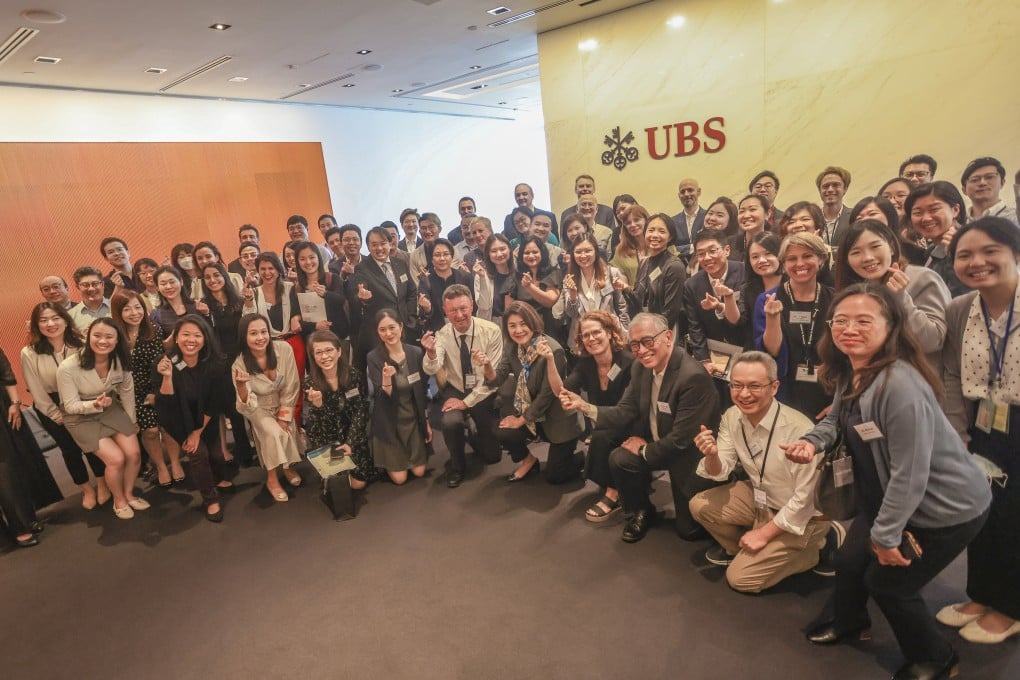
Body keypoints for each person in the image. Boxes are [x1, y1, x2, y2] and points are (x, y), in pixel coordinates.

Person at [784, 283, 990, 680]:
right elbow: (835, 420)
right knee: (849, 560)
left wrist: (886, 536)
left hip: (946, 507)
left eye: (864, 321)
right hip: (888, 495)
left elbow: (910, 473)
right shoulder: (852, 369)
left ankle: (937, 658)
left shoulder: (899, 385)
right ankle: (849, 622)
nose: (849, 329)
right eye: (840, 320)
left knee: (889, 585)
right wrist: (812, 442)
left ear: (890, 326)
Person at [560, 312, 722, 542]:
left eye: (647, 341)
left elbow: (682, 440)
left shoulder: (692, 377)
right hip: (658, 440)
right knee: (620, 458)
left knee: (689, 531)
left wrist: (644, 449)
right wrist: (584, 406)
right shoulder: (640, 367)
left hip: (688, 454)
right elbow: (625, 410)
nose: (641, 350)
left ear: (668, 337)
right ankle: (640, 511)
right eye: (635, 344)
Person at [940, 217, 1020, 644]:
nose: (977, 262)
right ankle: (983, 595)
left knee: (1015, 517)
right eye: (965, 255)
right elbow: (953, 374)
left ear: (1015, 254)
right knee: (984, 510)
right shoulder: (960, 309)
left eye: (990, 251)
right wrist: (959, 428)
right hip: (984, 420)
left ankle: (1011, 607)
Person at [689, 351, 830, 592]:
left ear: (774, 387)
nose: (744, 394)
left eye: (754, 386)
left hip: (803, 515)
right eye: (737, 385)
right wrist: (712, 455)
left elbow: (806, 500)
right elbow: (720, 471)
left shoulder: (800, 431)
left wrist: (764, 534)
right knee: (699, 506)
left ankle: (812, 550)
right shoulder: (732, 416)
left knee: (740, 579)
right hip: (762, 498)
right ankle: (750, 550)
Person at [542, 311, 633, 521]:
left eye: (596, 332)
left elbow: (628, 411)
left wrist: (583, 406)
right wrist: (549, 360)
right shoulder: (586, 364)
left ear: (609, 333)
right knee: (599, 436)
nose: (591, 339)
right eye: (585, 335)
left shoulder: (629, 362)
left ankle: (613, 493)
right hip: (603, 424)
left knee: (601, 437)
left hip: (629, 422)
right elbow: (561, 392)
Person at [480, 301, 582, 484]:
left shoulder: (553, 350)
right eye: (512, 326)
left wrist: (519, 420)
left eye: (523, 324)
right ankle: (529, 460)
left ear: (533, 323)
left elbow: (547, 396)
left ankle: (587, 459)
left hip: (557, 419)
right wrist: (487, 365)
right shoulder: (512, 347)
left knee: (555, 476)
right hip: (532, 414)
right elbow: (497, 379)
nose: (518, 330)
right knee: (501, 429)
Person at [57, 318, 149, 519]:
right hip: (80, 416)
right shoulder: (68, 367)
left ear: (117, 340)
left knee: (134, 454)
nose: (102, 341)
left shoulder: (120, 360)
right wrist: (94, 405)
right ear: (88, 336)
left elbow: (127, 392)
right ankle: (119, 500)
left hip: (109, 407)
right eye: (97, 335)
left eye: (109, 336)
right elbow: (70, 405)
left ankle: (129, 494)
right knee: (116, 459)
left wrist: (132, 421)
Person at [21, 302, 109, 509]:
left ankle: (102, 484)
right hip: (51, 405)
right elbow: (36, 390)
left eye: (55, 318)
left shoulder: (81, 343)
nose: (50, 324)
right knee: (69, 450)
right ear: (36, 325)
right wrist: (56, 415)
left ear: (65, 320)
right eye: (44, 320)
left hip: (82, 400)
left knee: (92, 445)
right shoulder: (29, 352)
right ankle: (87, 490)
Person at [834, 219, 949, 373]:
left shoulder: (922, 278)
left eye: (875, 247)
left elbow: (933, 341)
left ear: (892, 248)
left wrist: (901, 298)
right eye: (856, 252)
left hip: (914, 380)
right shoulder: (860, 291)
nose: (867, 257)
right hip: (873, 378)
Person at [421, 285, 504, 488]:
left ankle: (472, 431)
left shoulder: (491, 331)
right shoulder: (442, 335)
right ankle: (457, 466)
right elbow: (432, 368)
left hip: (483, 388)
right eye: (453, 310)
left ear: (472, 306)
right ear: (445, 311)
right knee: (450, 422)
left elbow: (492, 379)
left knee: (493, 456)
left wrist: (466, 403)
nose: (459, 315)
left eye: (463, 308)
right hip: (456, 387)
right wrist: (431, 354)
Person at [154, 316, 234, 522]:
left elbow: (215, 402)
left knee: (216, 454)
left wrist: (197, 432)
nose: (191, 340)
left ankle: (219, 479)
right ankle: (210, 499)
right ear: (176, 338)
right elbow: (165, 405)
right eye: (186, 334)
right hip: (179, 420)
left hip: (206, 415)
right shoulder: (165, 362)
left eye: (197, 335)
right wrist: (167, 377)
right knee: (198, 454)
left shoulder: (213, 363)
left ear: (205, 339)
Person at [755, 232, 833, 419]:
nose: (800, 264)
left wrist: (838, 402)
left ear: (821, 259)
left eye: (807, 256)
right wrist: (772, 317)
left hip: (828, 391)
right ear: (783, 264)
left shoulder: (835, 299)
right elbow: (771, 352)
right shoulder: (768, 299)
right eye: (791, 259)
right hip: (785, 390)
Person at [111, 290, 183, 488]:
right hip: (130, 392)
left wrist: (156, 391)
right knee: (150, 431)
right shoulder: (114, 337)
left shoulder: (154, 330)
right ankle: (160, 466)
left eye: (138, 307)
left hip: (157, 386)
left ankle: (175, 463)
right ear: (118, 312)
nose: (135, 313)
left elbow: (161, 360)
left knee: (166, 427)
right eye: (127, 309)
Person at [232, 314, 303, 502]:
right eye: (253, 333)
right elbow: (245, 405)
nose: (260, 337)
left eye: (264, 332)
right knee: (274, 434)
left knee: (287, 429)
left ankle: (287, 467)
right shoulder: (239, 363)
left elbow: (291, 384)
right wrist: (241, 387)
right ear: (244, 337)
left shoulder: (284, 349)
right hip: (258, 407)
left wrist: (284, 415)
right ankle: (272, 480)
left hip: (282, 401)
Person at [304, 330, 383, 489]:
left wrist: (350, 442)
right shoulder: (310, 384)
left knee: (358, 484)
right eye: (318, 352)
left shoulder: (353, 375)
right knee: (340, 484)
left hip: (352, 435)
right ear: (313, 356)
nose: (324, 356)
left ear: (339, 351)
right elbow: (317, 429)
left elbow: (360, 412)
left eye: (329, 350)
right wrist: (319, 407)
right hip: (328, 439)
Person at [1, 348, 59, 547]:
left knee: (13, 466)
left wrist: (15, 403)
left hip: (3, 410)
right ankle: (15, 529)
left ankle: (24, 521)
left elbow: (6, 373)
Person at [366, 310, 432, 485]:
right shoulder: (374, 357)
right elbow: (381, 397)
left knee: (419, 472)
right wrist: (386, 379)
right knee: (400, 479)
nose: (388, 333)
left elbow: (422, 391)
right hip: (390, 423)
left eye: (392, 327)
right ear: (377, 332)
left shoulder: (415, 352)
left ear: (401, 327)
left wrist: (425, 421)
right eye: (382, 330)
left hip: (413, 420)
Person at [199, 262, 255, 467]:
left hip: (243, 359)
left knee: (253, 403)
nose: (212, 280)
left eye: (216, 275)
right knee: (234, 410)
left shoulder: (238, 300)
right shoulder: (203, 305)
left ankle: (261, 446)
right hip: (220, 364)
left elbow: (249, 325)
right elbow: (206, 336)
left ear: (225, 276)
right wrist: (205, 315)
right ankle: (244, 453)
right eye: (207, 277)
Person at [349, 226, 419, 362]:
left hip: (405, 327)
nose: (379, 248)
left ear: (390, 243)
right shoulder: (362, 268)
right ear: (368, 247)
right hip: (381, 333)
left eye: (383, 243)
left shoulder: (400, 263)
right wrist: (364, 298)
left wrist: (410, 317)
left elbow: (411, 292)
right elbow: (358, 294)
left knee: (409, 366)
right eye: (374, 245)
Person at [683, 228, 747, 374]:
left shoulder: (744, 272)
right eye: (701, 254)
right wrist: (703, 360)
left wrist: (722, 305)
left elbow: (745, 316)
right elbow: (695, 326)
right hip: (714, 354)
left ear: (727, 250)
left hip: (744, 350)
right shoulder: (692, 284)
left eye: (712, 251)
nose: (707, 258)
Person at [561, 232, 630, 353]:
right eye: (578, 252)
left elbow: (622, 307)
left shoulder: (612, 273)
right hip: (583, 340)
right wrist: (572, 295)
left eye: (588, 251)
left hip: (610, 335)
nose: (583, 255)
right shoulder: (569, 278)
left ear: (596, 251)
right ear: (573, 254)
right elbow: (572, 314)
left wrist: (625, 333)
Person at [905, 181, 970, 297]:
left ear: (955, 210)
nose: (926, 218)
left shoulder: (972, 244)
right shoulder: (931, 251)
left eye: (934, 210)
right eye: (918, 213)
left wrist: (958, 256)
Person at [630, 213, 687, 338]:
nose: (655, 235)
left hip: (663, 332)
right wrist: (625, 289)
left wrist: (654, 334)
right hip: (644, 328)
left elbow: (671, 311)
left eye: (661, 231)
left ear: (670, 237)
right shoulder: (644, 262)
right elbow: (639, 299)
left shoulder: (674, 266)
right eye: (651, 230)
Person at [291, 240, 351, 341]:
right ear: (298, 262)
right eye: (302, 259)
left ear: (318, 257)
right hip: (312, 341)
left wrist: (326, 294)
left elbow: (341, 300)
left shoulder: (332, 278)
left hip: (338, 337)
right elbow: (296, 321)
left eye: (312, 257)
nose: (308, 262)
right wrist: (315, 326)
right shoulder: (296, 289)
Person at [731, 232, 782, 346]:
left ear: (780, 254)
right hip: (756, 350)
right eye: (755, 257)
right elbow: (742, 324)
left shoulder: (793, 285)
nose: (762, 260)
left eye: (768, 253)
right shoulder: (747, 289)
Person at [512, 235, 563, 343]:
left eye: (535, 252)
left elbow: (550, 301)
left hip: (548, 328)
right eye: (526, 253)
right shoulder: (516, 276)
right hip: (523, 329)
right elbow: (510, 308)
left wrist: (529, 287)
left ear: (542, 253)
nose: (531, 256)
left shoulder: (553, 272)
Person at [417, 238, 473, 334]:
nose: (442, 258)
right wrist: (427, 308)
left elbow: (473, 305)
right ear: (431, 259)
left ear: (452, 256)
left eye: (446, 254)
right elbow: (423, 315)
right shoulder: (425, 281)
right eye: (437, 255)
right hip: (438, 330)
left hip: (464, 325)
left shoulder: (464, 277)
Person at [150, 265, 206, 338]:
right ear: (157, 287)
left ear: (181, 282)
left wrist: (206, 314)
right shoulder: (156, 315)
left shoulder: (198, 306)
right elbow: (159, 343)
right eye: (163, 284)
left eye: (172, 282)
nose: (168, 287)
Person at [473, 233, 516, 324]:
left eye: (502, 249)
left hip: (516, 322)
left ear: (509, 249)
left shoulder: (518, 273)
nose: (499, 254)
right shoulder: (481, 275)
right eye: (493, 251)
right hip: (491, 324)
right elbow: (484, 306)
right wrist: (482, 279)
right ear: (488, 254)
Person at [961, 156, 1018, 224]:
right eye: (975, 179)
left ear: (1002, 182)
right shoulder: (959, 223)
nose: (982, 183)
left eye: (990, 177)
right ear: (964, 190)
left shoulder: (1016, 217)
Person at [610, 204, 649, 288]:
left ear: (646, 220)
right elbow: (623, 285)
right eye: (628, 223)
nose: (632, 225)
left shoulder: (660, 244)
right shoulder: (620, 250)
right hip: (633, 294)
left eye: (636, 220)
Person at [816, 166, 852, 249]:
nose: (830, 189)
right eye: (825, 186)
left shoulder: (854, 217)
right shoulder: (812, 219)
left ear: (845, 189)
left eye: (836, 185)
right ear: (820, 191)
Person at [69, 266, 111, 331]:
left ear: (102, 284)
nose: (91, 289)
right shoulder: (71, 316)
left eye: (95, 284)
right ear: (78, 287)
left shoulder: (116, 307)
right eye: (85, 285)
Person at [728, 194, 769, 261]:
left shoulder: (776, 243)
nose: (746, 215)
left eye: (752, 209)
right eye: (742, 211)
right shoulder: (729, 243)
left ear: (767, 214)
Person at [672, 178, 706, 255]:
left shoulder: (708, 217)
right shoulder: (672, 222)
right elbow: (671, 250)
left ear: (699, 192)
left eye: (690, 190)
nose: (686, 194)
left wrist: (682, 248)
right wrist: (693, 247)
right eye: (682, 191)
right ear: (679, 195)